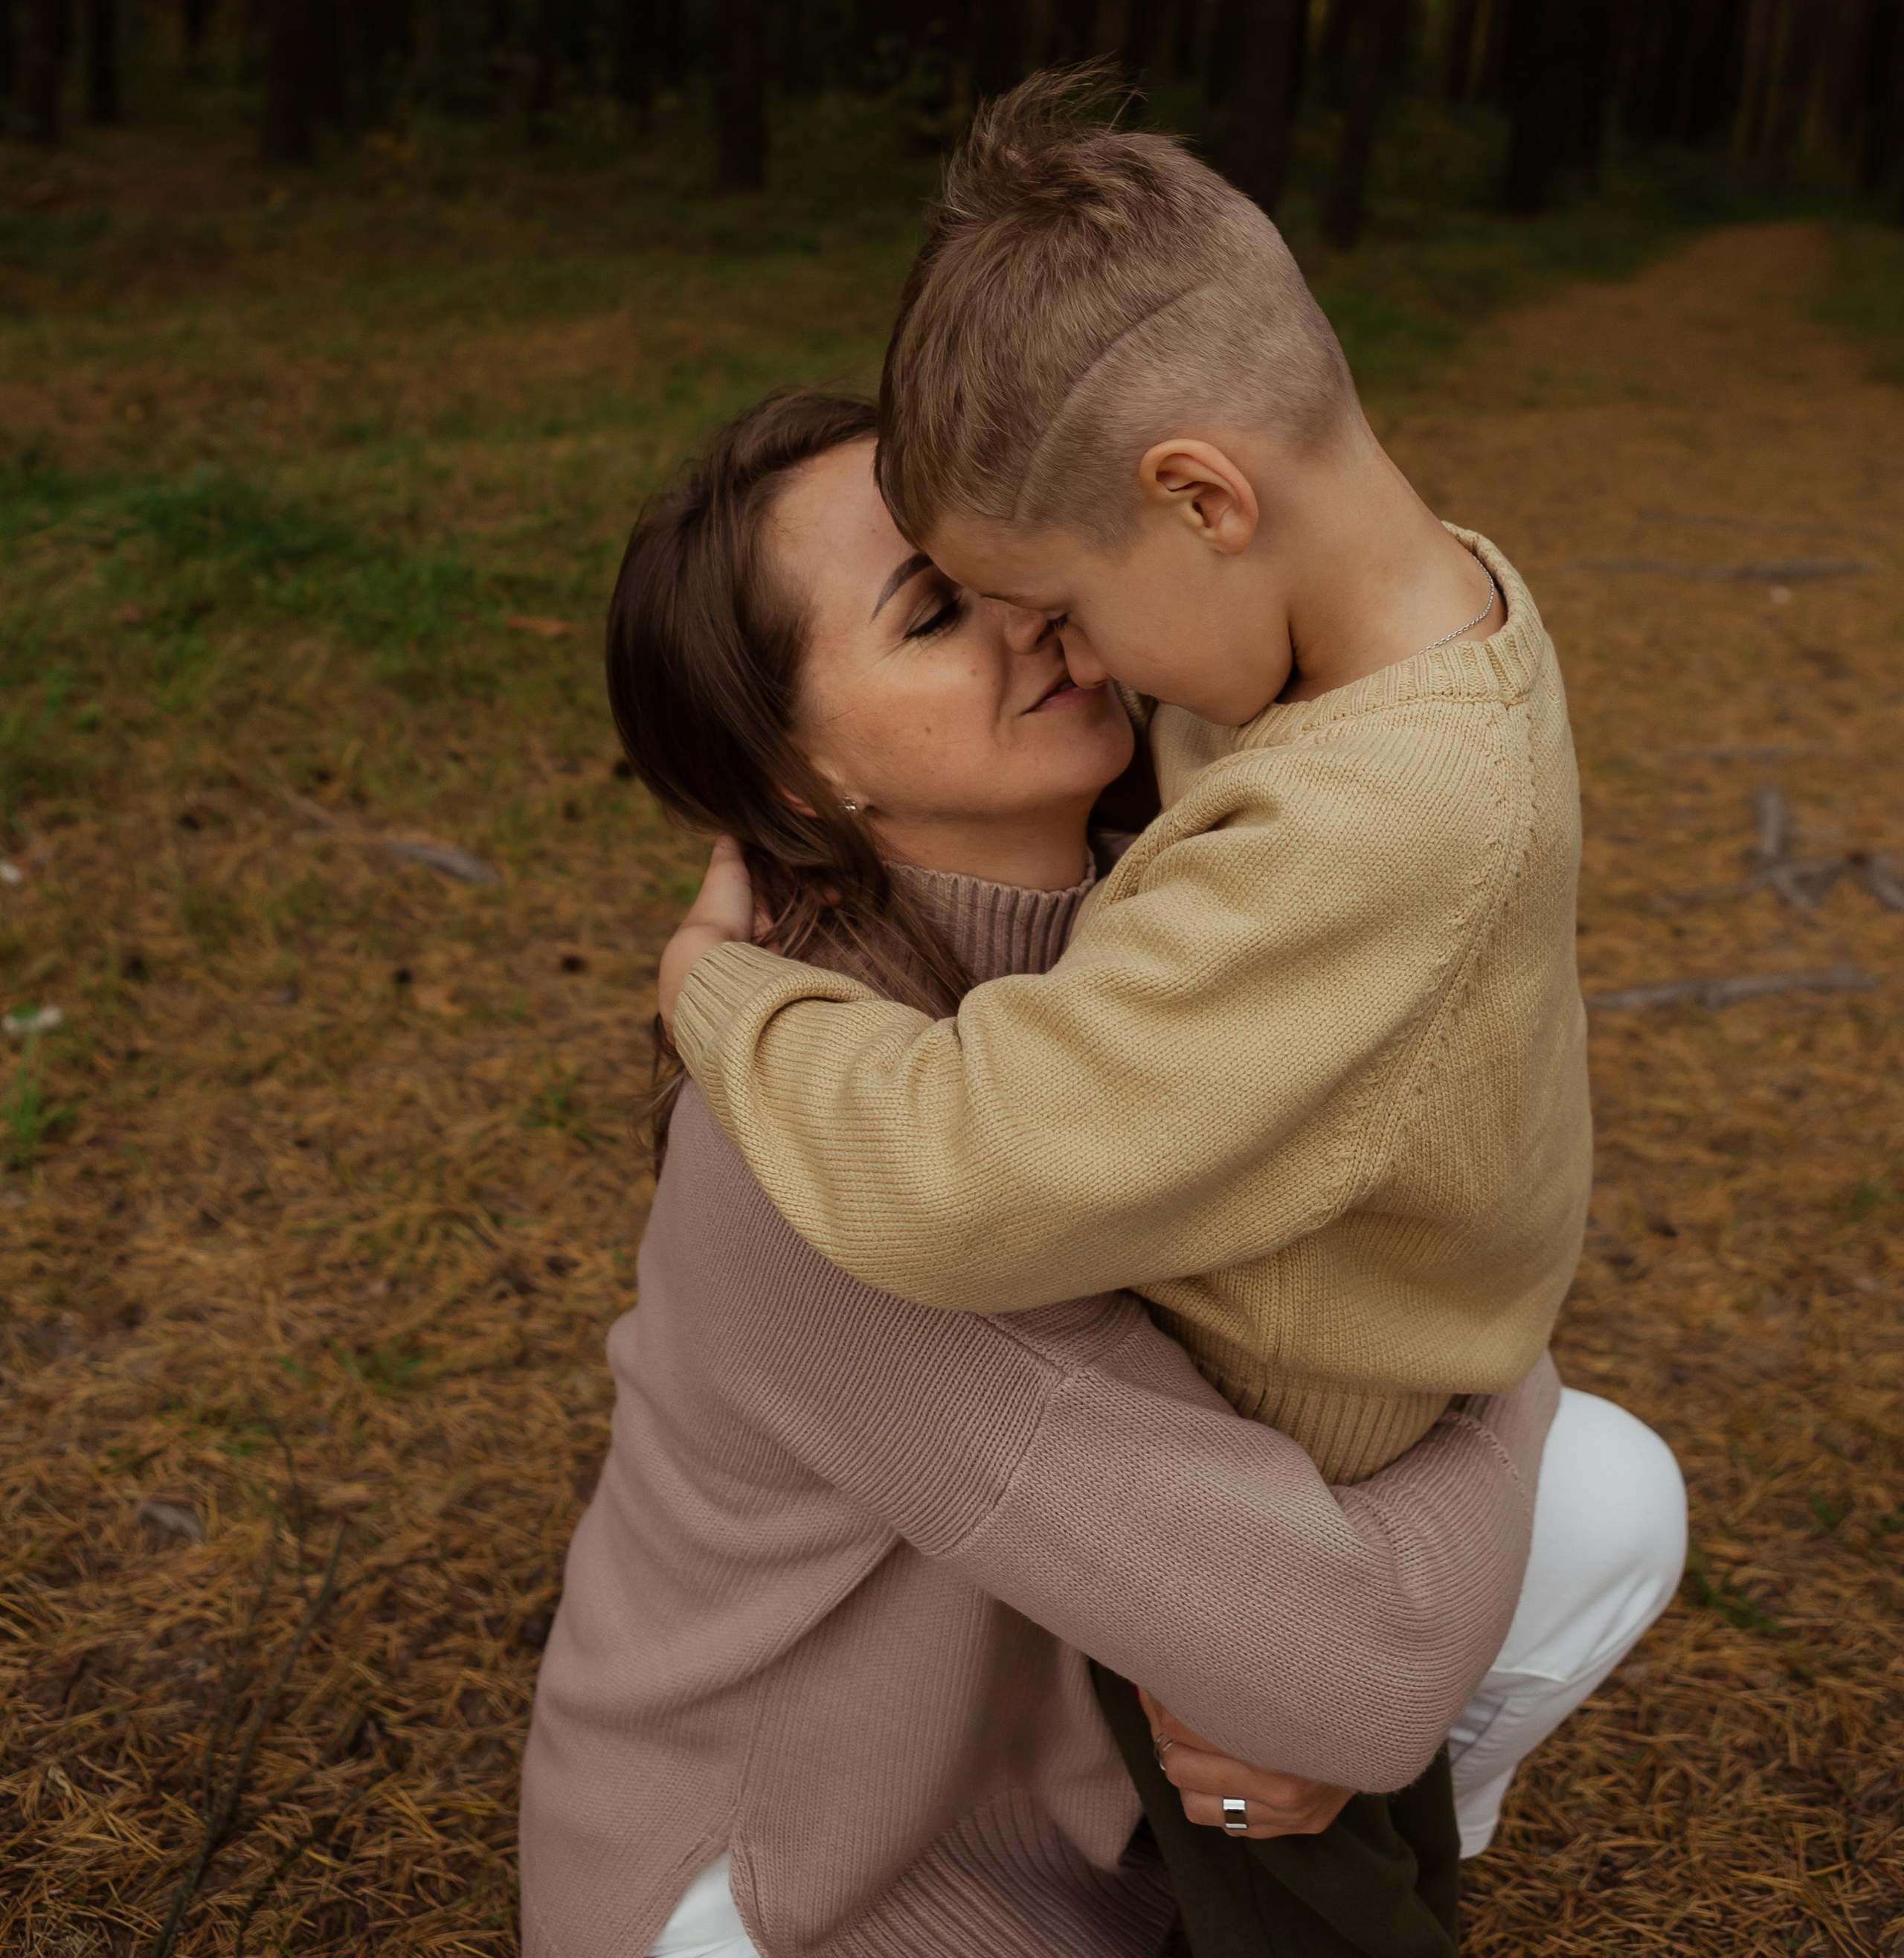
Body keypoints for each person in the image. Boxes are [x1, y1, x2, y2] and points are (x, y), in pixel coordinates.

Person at [520, 392, 1685, 1958]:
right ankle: (1284, 1790)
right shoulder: (834, 1156)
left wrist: (1354, 1678)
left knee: (1606, 1498)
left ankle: (1304, 1814)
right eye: (931, 613)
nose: (1025, 612)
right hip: (807, 1885)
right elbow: (1363, 1667)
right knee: (1384, 1635)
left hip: (1094, 1776)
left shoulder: (1192, 897)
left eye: (989, 560)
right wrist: (1350, 1676)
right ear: (800, 780)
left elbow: (1444, 1255)